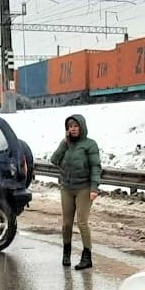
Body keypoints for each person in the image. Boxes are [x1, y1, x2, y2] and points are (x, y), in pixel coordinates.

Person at [49, 113, 101, 269]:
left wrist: (94, 187)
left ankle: (87, 257)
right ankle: (66, 253)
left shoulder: (90, 145)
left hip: (84, 188)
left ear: (82, 127)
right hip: (67, 188)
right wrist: (65, 143)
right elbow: (53, 160)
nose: (73, 129)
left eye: (75, 126)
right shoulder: (66, 144)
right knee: (66, 224)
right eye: (70, 126)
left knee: (82, 222)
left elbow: (95, 167)